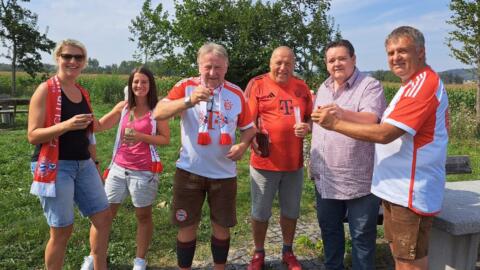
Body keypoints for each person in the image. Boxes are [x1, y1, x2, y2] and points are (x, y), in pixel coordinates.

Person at [312, 26, 449, 270]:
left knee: (409, 261)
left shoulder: (420, 85)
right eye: (391, 52)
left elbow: (384, 132)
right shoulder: (409, 85)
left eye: (402, 51)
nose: (396, 57)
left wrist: (336, 122)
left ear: (421, 52)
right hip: (392, 188)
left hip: (409, 190)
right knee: (401, 257)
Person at [153, 42, 256, 270]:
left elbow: (249, 128)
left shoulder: (236, 93)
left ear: (226, 67)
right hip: (190, 171)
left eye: (218, 67)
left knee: (221, 226)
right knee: (186, 226)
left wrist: (243, 145)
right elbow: (158, 112)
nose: (212, 73)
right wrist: (189, 101)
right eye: (207, 66)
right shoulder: (186, 86)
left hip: (224, 173)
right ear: (199, 66)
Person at [27, 39, 112, 270]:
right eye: (67, 56)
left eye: (78, 57)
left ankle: (99, 266)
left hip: (83, 164)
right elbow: (33, 135)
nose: (72, 61)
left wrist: (94, 162)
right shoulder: (45, 89)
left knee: (103, 218)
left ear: (84, 62)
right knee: (62, 230)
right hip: (55, 165)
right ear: (58, 58)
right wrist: (66, 125)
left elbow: (89, 133)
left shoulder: (82, 91)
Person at [81, 66, 170, 270]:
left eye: (144, 82)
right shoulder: (123, 107)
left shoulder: (157, 110)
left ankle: (139, 260)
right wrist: (82, 113)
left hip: (144, 171)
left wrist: (141, 137)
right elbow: (101, 125)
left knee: (143, 216)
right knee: (102, 216)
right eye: (136, 82)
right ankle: (94, 256)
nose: (139, 85)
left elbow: (165, 139)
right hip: (118, 169)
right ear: (130, 85)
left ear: (151, 85)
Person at [310, 39, 386, 270]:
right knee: (330, 231)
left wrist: (341, 113)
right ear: (326, 64)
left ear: (354, 59)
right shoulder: (323, 88)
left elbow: (372, 119)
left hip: (359, 176)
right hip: (326, 176)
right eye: (331, 60)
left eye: (342, 58)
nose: (337, 64)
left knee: (362, 236)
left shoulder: (369, 85)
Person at [244, 46, 312, 270]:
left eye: (288, 63)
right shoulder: (258, 84)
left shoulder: (302, 87)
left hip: (293, 163)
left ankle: (288, 250)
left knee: (291, 210)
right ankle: (259, 252)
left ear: (294, 65)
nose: (283, 67)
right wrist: (253, 136)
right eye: (278, 62)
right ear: (270, 63)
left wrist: (308, 127)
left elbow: (312, 118)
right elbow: (247, 120)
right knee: (260, 211)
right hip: (265, 162)